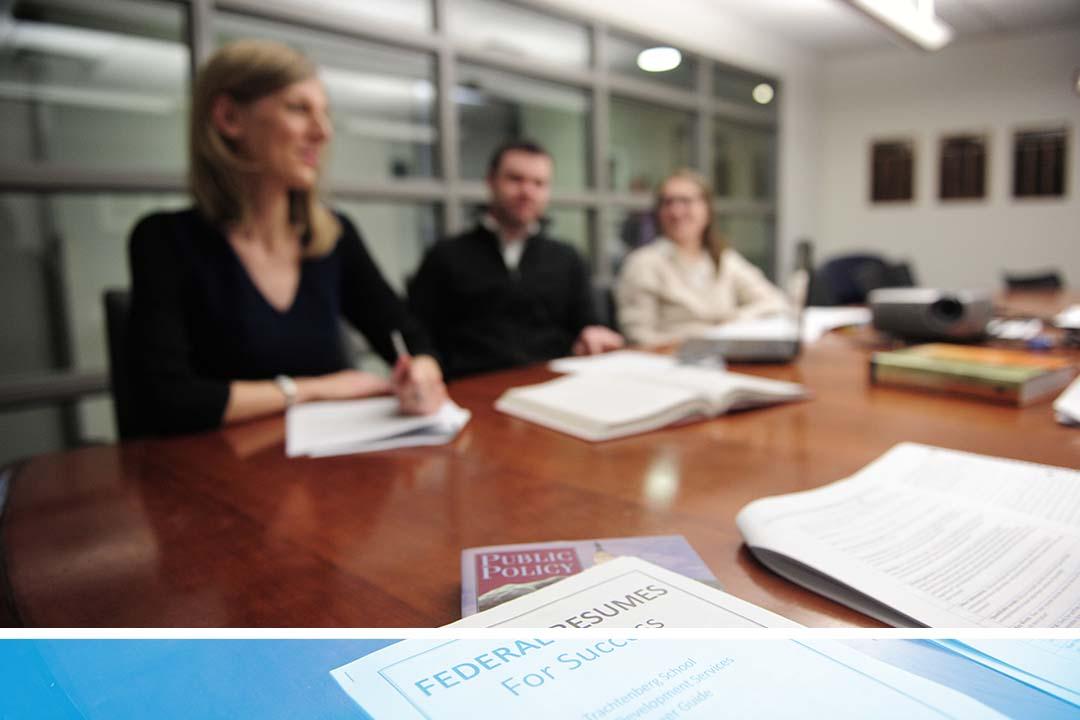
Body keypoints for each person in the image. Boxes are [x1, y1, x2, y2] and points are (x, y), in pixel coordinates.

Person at [128, 39, 446, 435]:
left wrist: (422, 369)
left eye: (325, 114)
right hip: (216, 477)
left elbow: (406, 335)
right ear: (229, 118)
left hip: (326, 473)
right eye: (299, 109)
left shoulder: (333, 235)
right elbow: (167, 400)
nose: (323, 132)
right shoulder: (164, 241)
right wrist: (316, 389)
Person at [408, 140, 623, 379]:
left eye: (538, 183)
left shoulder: (567, 257)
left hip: (552, 384)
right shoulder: (445, 255)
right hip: (471, 387)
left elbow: (588, 322)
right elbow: (417, 333)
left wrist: (592, 333)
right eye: (515, 179)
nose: (527, 192)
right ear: (491, 181)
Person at [615, 169, 790, 346]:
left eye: (686, 201)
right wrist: (707, 336)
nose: (676, 212)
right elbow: (639, 338)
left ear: (707, 210)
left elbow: (775, 302)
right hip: (671, 363)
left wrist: (733, 320)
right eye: (667, 203)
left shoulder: (723, 258)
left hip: (724, 359)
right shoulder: (643, 263)